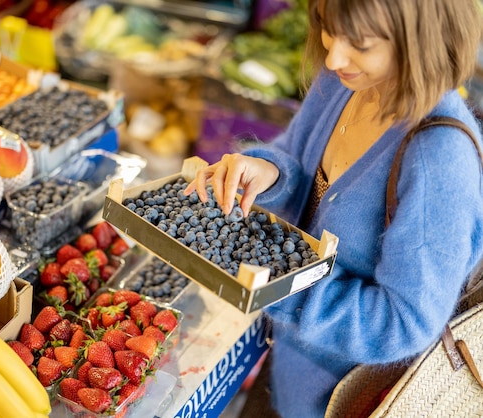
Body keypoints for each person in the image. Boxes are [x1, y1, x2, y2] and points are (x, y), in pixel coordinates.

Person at [184, 0, 483, 416]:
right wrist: (268, 171)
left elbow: (403, 323)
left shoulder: (439, 162)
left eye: (359, 43)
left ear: (422, 42)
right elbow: (297, 157)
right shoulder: (344, 81)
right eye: (328, 28)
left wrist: (281, 286)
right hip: (284, 367)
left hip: (336, 403)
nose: (333, 55)